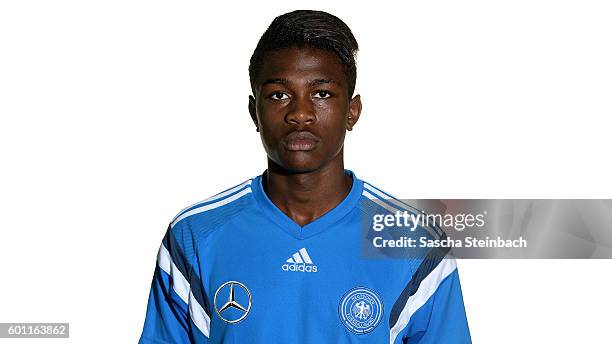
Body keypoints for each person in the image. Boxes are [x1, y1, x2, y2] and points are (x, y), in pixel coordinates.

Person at [139, 9, 471, 344]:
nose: (300, 113)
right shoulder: (194, 235)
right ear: (255, 112)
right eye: (279, 95)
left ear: (352, 111)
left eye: (322, 93)